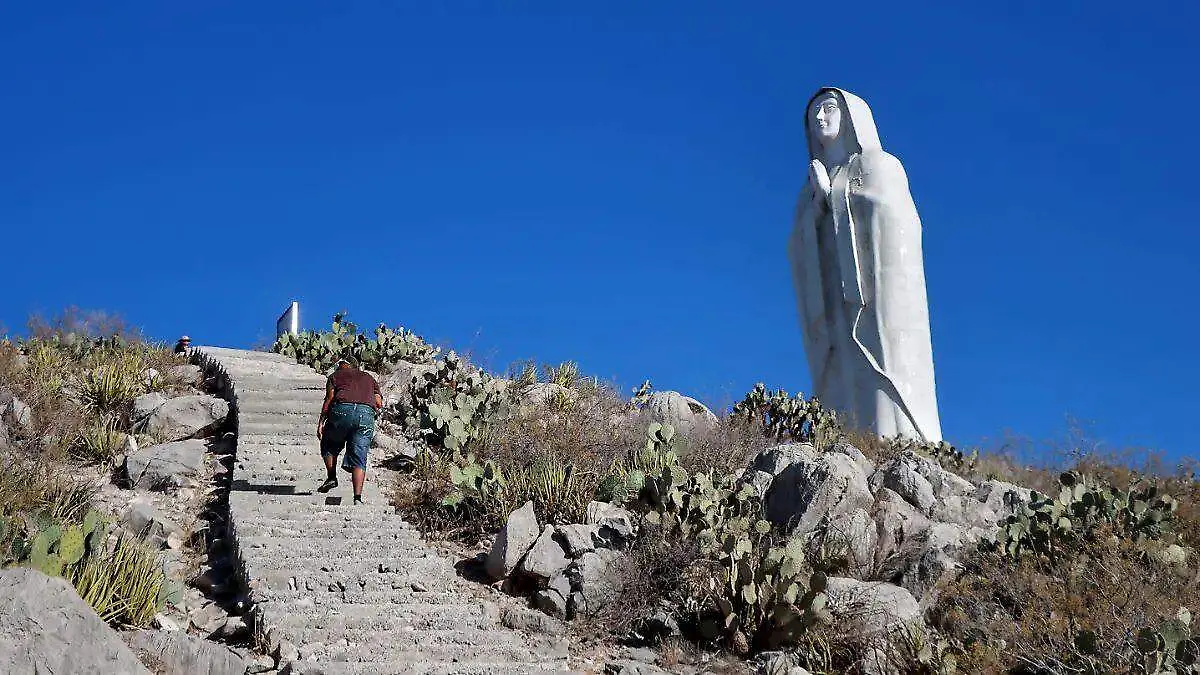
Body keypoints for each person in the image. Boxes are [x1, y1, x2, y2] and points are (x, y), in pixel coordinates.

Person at [316, 355, 382, 503]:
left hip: (342, 411)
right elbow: (378, 402)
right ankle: (357, 498)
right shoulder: (369, 378)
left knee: (328, 443)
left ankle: (332, 477)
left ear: (344, 365)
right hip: (365, 415)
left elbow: (329, 400)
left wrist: (321, 422)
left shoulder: (335, 376)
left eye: (339, 365)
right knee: (360, 457)